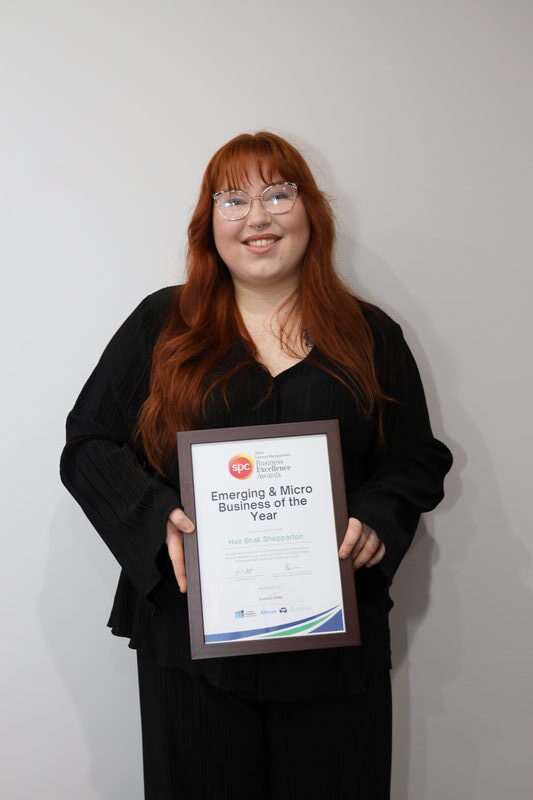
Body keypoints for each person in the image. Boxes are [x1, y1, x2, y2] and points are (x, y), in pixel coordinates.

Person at [59, 131, 453, 800]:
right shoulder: (162, 324)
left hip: (332, 640)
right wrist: (155, 516)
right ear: (209, 222)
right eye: (233, 199)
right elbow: (88, 444)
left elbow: (415, 457)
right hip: (191, 636)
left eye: (278, 194)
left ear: (311, 212)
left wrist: (376, 514)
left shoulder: (369, 334)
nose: (257, 217)